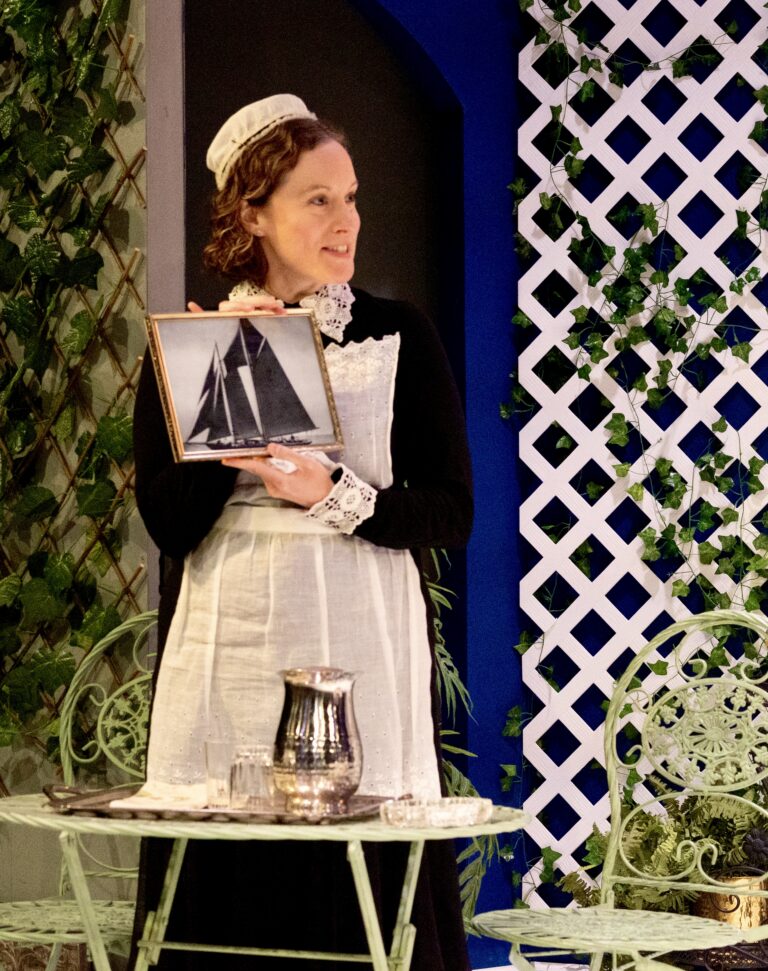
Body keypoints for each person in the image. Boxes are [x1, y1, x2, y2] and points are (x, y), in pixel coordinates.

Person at [131, 93, 473, 970]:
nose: (345, 220)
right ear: (253, 213)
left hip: (364, 631)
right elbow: (171, 524)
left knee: (366, 873)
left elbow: (451, 510)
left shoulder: (397, 335)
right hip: (233, 637)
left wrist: (335, 491)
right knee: (226, 845)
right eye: (317, 199)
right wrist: (233, 393)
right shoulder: (195, 346)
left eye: (349, 197)